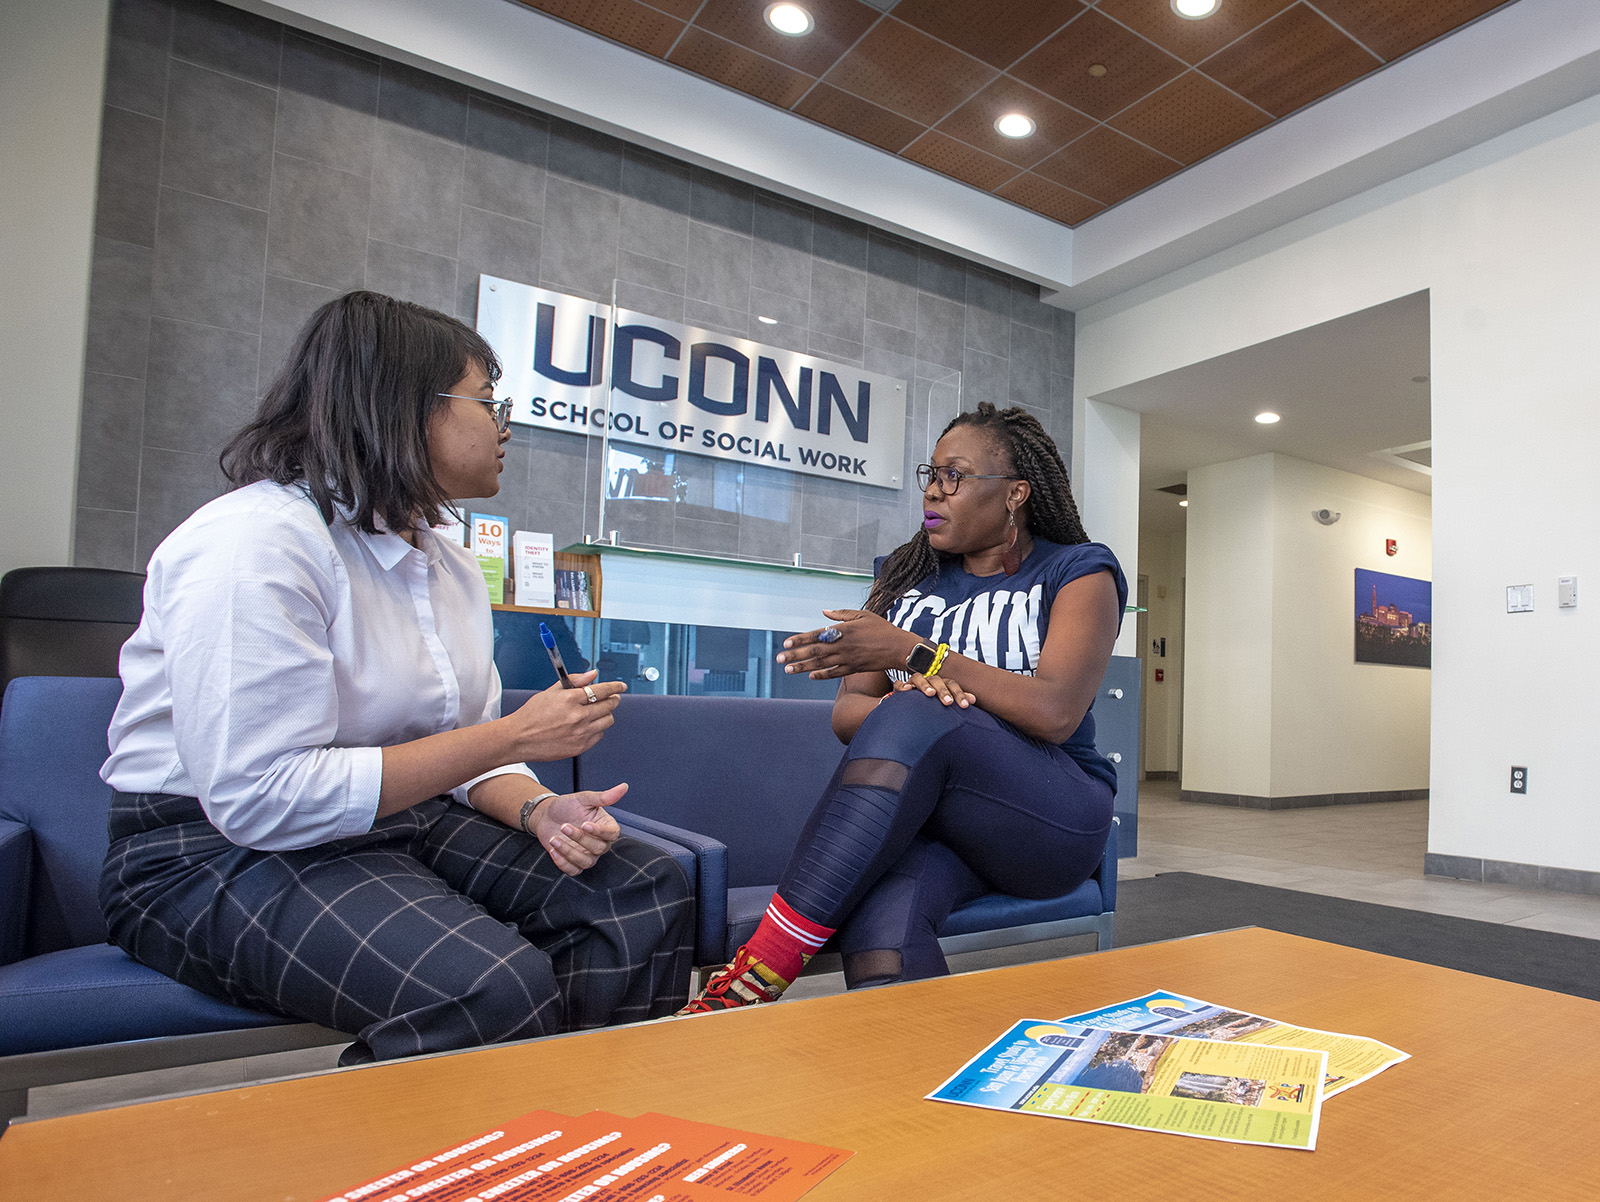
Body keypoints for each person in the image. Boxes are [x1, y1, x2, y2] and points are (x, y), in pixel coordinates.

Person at [99, 292, 692, 1063]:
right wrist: (511, 734)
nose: (505, 424)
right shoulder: (256, 545)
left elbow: (472, 752)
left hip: (386, 822)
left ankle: (567, 1131)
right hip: (205, 849)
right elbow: (262, 799)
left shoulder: (445, 559)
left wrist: (540, 808)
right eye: (487, 402)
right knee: (487, 990)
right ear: (404, 408)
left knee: (638, 890)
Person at [681, 402, 1125, 1012]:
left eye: (955, 477)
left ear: (1016, 494)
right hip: (940, 825)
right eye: (931, 474)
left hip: (1050, 818)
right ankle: (912, 1077)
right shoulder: (906, 576)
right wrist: (922, 706)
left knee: (922, 710)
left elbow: (1054, 712)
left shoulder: (1078, 571)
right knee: (882, 919)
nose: (934, 493)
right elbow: (848, 715)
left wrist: (924, 668)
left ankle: (759, 971)